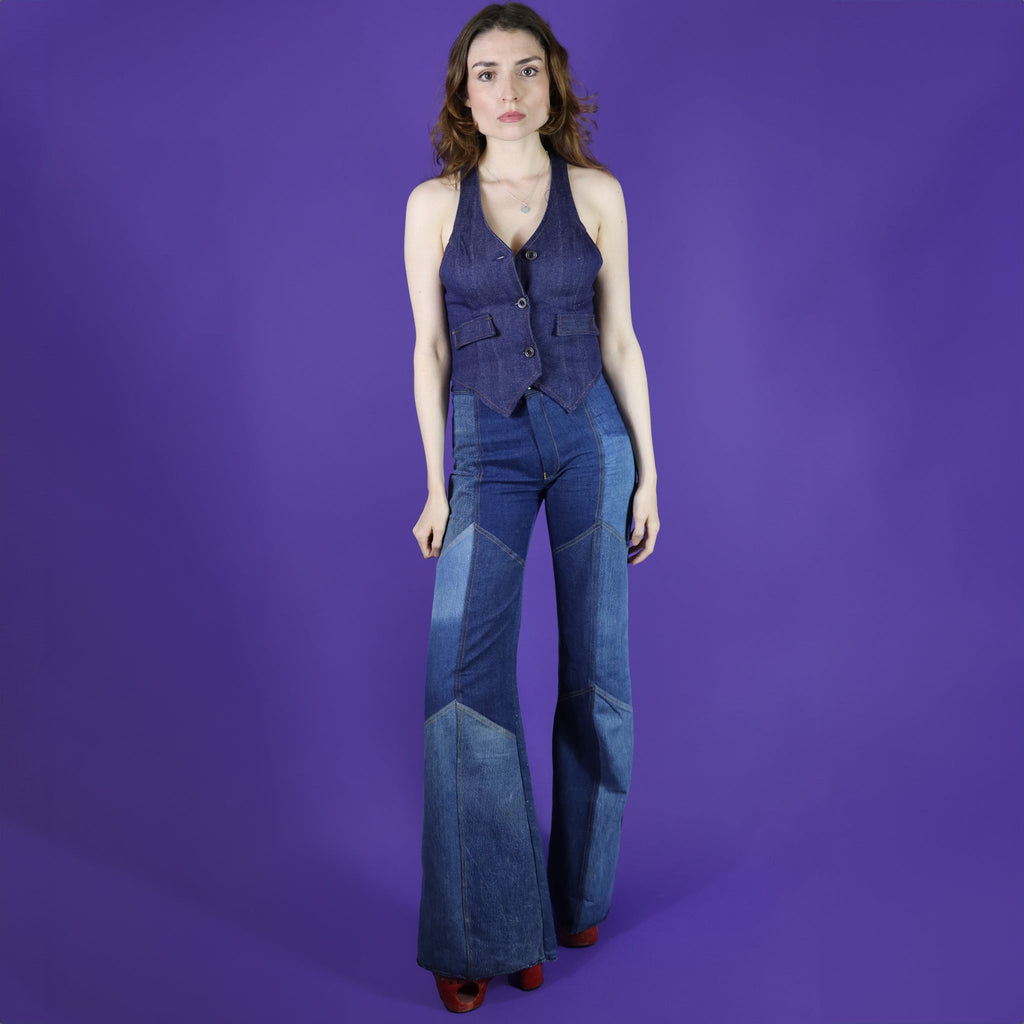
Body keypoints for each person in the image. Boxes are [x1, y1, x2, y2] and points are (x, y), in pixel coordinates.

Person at [404, 3, 659, 1013]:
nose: (506, 91)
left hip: (589, 436)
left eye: (525, 71)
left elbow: (621, 339)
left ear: (552, 84)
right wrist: (436, 484)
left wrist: (651, 473)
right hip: (488, 444)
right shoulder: (433, 205)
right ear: (462, 95)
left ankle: (579, 892)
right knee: (461, 678)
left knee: (598, 671)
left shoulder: (598, 194)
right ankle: (489, 926)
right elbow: (429, 349)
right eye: (486, 74)